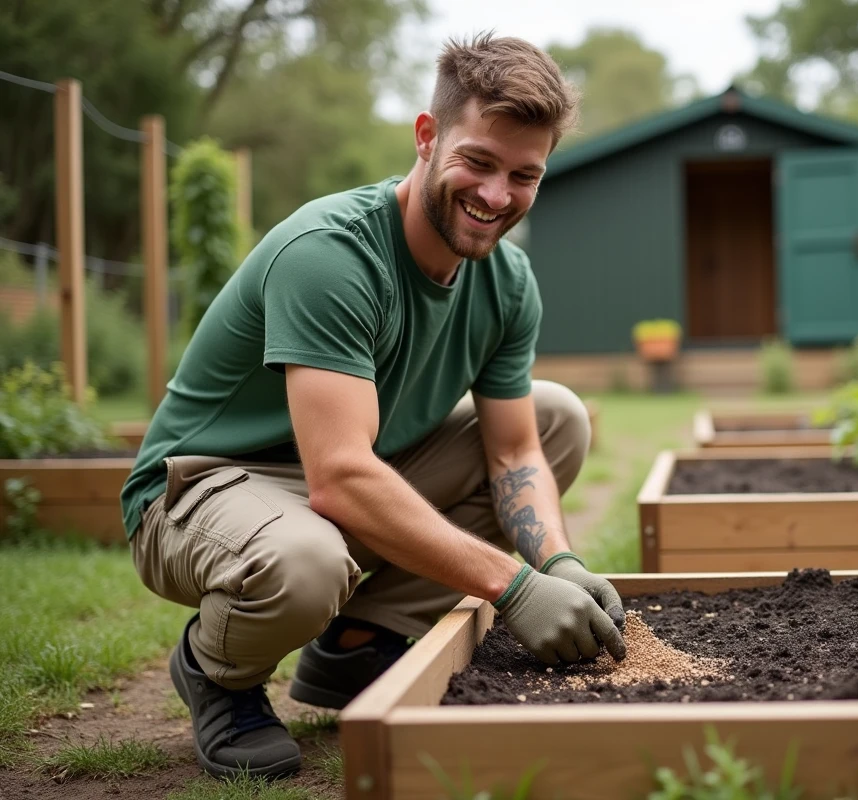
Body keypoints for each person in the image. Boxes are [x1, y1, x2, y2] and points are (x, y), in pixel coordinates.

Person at [119, 32, 626, 780]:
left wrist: (559, 559)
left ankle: (358, 648)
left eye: (524, 175)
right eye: (478, 161)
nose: (496, 196)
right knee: (305, 562)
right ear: (427, 137)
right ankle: (214, 671)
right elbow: (341, 479)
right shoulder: (333, 255)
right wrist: (514, 587)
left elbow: (516, 452)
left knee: (557, 420)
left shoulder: (507, 282)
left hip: (344, 476)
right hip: (201, 489)